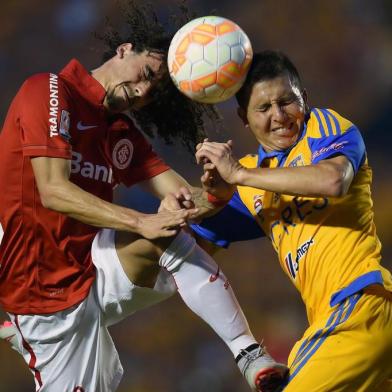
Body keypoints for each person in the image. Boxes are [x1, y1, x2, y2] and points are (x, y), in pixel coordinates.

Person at [0, 4, 289, 392]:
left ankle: (248, 354)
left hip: (90, 266)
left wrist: (217, 195)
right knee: (155, 228)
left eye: (149, 95)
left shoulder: (117, 131)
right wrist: (140, 221)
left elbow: (182, 199)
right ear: (124, 49)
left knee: (169, 237)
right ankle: (24, 330)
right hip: (41, 293)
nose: (140, 91)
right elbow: (53, 191)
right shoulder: (50, 91)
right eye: (146, 74)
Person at [193, 50, 392, 391]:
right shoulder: (251, 183)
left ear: (305, 98)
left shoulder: (323, 128)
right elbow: (188, 245)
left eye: (287, 101)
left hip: (361, 307)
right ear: (244, 117)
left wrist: (240, 173)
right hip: (330, 326)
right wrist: (211, 197)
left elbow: (334, 180)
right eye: (264, 108)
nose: (279, 116)